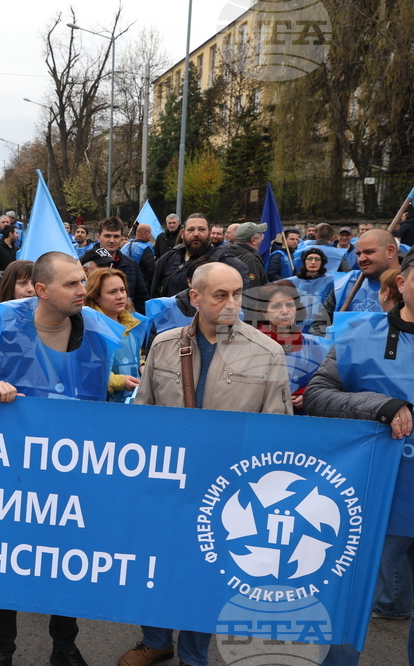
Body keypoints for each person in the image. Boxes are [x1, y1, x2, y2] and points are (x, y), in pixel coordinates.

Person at [118, 262, 289, 666]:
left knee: (205, 576)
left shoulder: (268, 352)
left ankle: (194, 655)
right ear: (195, 297)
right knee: (156, 566)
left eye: (238, 294)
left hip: (228, 494)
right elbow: (143, 416)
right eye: (220, 295)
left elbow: (278, 433)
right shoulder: (163, 344)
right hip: (167, 486)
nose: (233, 303)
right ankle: (156, 640)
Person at [0, 251, 121, 666]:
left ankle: (64, 644)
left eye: (82, 282)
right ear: (41, 290)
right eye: (71, 284)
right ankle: (3, 647)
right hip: (8, 474)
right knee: (4, 565)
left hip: (70, 476)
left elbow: (100, 409)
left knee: (66, 562)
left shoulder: (97, 337)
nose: (82, 290)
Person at [303, 250, 414, 666]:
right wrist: (380, 405)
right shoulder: (356, 335)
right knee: (353, 603)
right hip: (380, 495)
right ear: (400, 283)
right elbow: (317, 395)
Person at [242, 281, 329, 413]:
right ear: (264, 313)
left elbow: (328, 381)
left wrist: (308, 394)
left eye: (289, 305)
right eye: (277, 306)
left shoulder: (316, 346)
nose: (285, 311)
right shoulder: (248, 345)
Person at [311, 228, 400, 336]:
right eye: (358, 254)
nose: (361, 259)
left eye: (369, 252)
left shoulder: (408, 285)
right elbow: (320, 326)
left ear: (390, 251)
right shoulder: (345, 284)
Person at [84, 268, 149, 402]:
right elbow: (85, 371)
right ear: (97, 298)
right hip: (103, 406)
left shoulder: (134, 323)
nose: (120, 296)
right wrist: (119, 382)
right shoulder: (88, 327)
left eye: (122, 290)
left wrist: (142, 366)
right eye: (112, 292)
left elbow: (135, 354)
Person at [150, 214, 248, 299]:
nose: (196, 234)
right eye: (191, 229)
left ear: (209, 233)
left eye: (201, 229)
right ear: (183, 234)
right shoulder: (169, 258)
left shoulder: (225, 262)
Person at [80, 217, 150, 313]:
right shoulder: (83, 262)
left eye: (116, 236)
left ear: (122, 238)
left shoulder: (131, 264)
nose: (112, 240)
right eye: (107, 236)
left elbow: (141, 298)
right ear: (98, 237)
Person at [287, 247, 336, 334]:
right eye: (310, 259)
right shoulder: (290, 282)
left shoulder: (332, 281)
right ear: (304, 261)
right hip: (296, 328)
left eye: (317, 259)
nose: (313, 262)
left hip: (321, 328)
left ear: (322, 262)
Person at [226, 221, 269, 289]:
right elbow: (253, 290)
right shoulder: (251, 260)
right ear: (253, 240)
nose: (263, 238)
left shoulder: (227, 253)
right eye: (261, 236)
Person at [121, 223, 157, 289]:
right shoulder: (145, 248)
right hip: (140, 283)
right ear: (143, 234)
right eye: (149, 233)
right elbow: (151, 270)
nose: (151, 235)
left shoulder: (125, 246)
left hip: (123, 282)